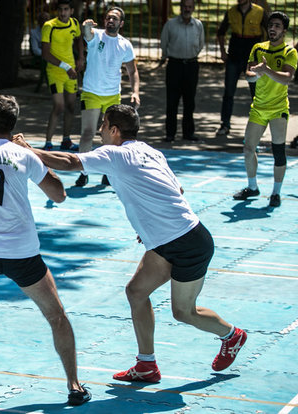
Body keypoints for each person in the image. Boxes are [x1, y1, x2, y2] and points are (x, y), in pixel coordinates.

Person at [13, 104, 247, 383]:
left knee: (183, 312)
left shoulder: (114, 153)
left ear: (114, 130)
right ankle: (146, 365)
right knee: (136, 292)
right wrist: (149, 222)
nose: (99, 131)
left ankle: (232, 335)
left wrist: (27, 149)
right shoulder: (151, 151)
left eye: (103, 125)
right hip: (167, 240)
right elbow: (177, 189)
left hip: (188, 242)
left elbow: (69, 161)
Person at [0, 94, 91, 406]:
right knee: (56, 315)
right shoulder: (24, 155)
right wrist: (34, 158)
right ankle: (74, 384)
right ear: (13, 125)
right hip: (23, 254)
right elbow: (60, 194)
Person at [232, 11, 297, 208]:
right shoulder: (258, 48)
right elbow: (249, 75)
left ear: (284, 31)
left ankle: (276, 193)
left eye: (277, 26)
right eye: (271, 25)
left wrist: (266, 70)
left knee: (278, 151)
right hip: (258, 108)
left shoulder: (289, 52)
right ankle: (253, 187)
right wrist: (255, 75)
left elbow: (287, 78)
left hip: (278, 109)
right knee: (248, 148)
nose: (272, 29)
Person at [76, 7, 140, 187]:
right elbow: (87, 34)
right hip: (91, 92)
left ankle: (108, 173)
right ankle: (83, 172)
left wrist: (135, 91)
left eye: (114, 18)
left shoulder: (125, 44)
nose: (110, 20)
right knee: (88, 132)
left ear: (121, 23)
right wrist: (86, 27)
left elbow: (132, 71)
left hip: (112, 95)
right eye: (108, 18)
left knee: (113, 136)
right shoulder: (96, 36)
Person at [216, 0, 266, 137]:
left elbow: (268, 32)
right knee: (229, 92)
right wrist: (222, 51)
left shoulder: (260, 11)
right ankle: (225, 124)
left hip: (252, 55)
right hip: (235, 55)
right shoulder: (231, 12)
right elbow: (221, 32)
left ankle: (259, 126)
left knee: (256, 93)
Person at [40, 0, 84, 152]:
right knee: (59, 106)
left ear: (71, 11)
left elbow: (79, 39)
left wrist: (81, 58)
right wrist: (65, 67)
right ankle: (48, 142)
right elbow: (45, 54)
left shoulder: (74, 24)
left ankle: (66, 140)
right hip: (55, 72)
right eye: (60, 10)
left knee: (71, 106)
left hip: (71, 72)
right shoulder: (49, 26)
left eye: (66, 9)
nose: (63, 13)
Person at [160, 0, 203, 142]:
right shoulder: (170, 25)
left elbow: (201, 44)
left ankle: (188, 133)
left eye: (190, 7)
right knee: (172, 101)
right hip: (174, 65)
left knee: (189, 101)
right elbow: (164, 43)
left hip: (191, 65)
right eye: (185, 6)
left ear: (193, 8)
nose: (187, 9)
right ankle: (170, 133)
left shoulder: (198, 25)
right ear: (180, 8)